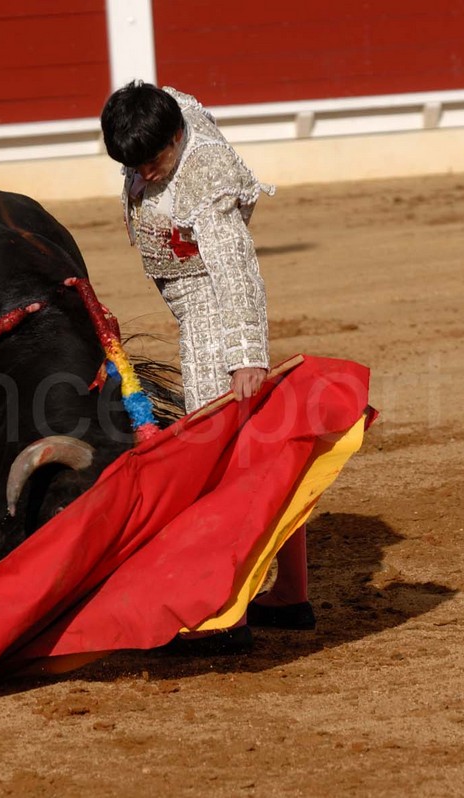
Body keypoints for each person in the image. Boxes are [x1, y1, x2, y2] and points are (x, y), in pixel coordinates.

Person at [100, 81, 317, 650]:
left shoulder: (206, 177)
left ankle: (225, 613)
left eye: (152, 161)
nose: (143, 174)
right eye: (132, 165)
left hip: (210, 311)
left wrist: (244, 355)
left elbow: (235, 270)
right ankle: (290, 593)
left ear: (177, 136)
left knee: (215, 459)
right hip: (191, 302)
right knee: (259, 453)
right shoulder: (161, 114)